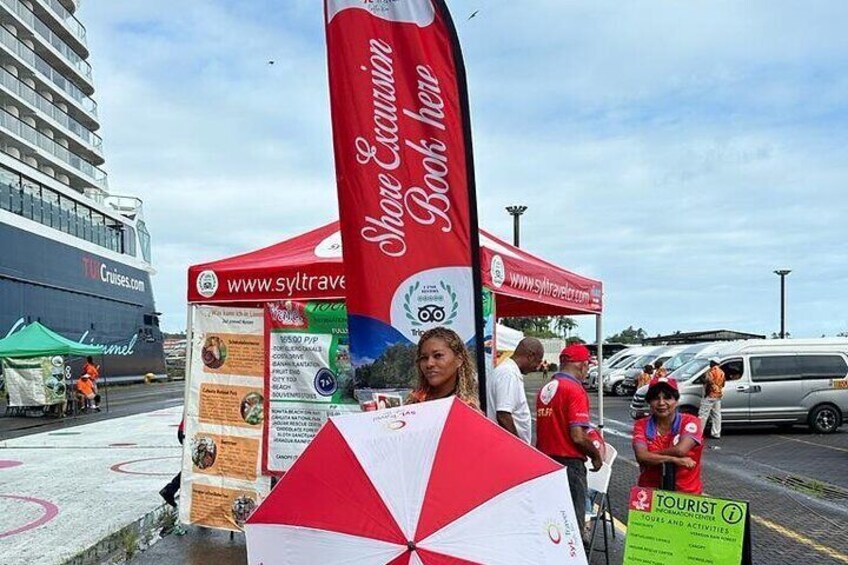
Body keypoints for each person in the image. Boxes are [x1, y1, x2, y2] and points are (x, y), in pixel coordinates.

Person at [535, 343, 603, 527]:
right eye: (587, 366)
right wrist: (596, 456)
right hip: (570, 465)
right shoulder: (574, 390)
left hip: (546, 461)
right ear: (582, 365)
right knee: (572, 525)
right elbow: (578, 436)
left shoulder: (546, 388)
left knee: (551, 523)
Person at [632, 377, 703, 494]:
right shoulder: (641, 425)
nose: (661, 403)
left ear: (676, 401)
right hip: (649, 493)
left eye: (667, 398)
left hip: (686, 494)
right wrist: (673, 459)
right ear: (649, 402)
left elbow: (681, 450)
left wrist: (648, 456)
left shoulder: (691, 422)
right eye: (655, 398)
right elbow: (641, 457)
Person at [486, 337, 544, 444]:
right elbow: (503, 415)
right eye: (538, 361)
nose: (537, 367)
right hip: (506, 448)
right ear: (531, 356)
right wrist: (518, 446)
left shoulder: (506, 371)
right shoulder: (509, 374)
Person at [406, 327, 479, 409]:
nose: (429, 364)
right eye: (424, 358)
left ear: (459, 360)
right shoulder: (413, 403)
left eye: (438, 355)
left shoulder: (468, 409)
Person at [160, 418, 185, 507]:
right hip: (189, 431)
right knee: (196, 466)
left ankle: (170, 489)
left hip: (188, 430)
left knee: (195, 466)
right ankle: (169, 490)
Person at [699, 358, 726, 439]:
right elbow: (723, 384)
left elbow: (707, 381)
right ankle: (716, 433)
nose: (709, 363)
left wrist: (706, 394)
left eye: (711, 362)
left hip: (710, 395)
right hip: (718, 395)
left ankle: (698, 434)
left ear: (713, 363)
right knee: (716, 415)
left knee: (703, 415)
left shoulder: (711, 371)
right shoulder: (722, 372)